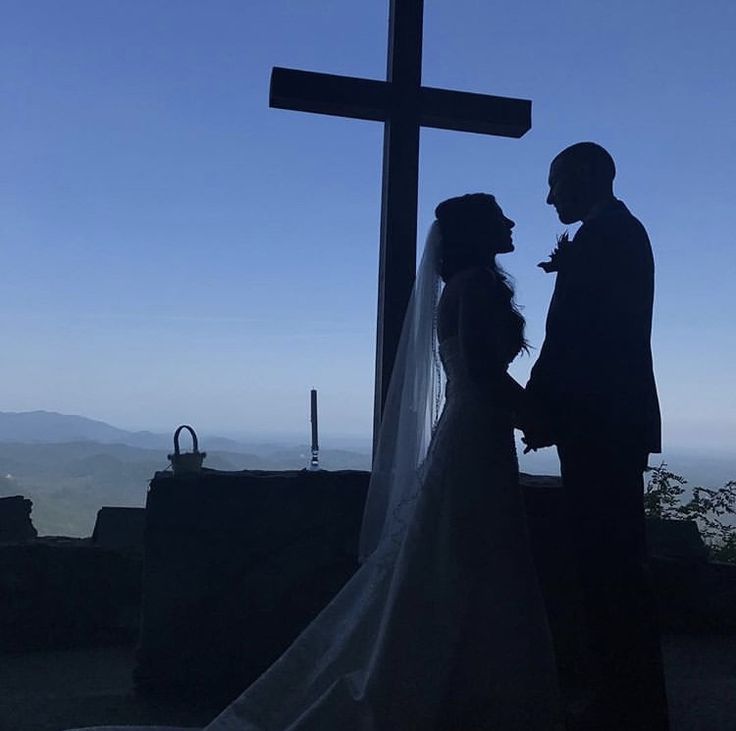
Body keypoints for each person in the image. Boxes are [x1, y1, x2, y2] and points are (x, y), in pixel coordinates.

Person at [69, 194, 562, 731]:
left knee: (456, 552)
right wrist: (537, 418)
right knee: (477, 550)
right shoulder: (478, 285)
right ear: (476, 230)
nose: (511, 223)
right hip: (476, 434)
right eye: (499, 217)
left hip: (468, 432)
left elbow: (475, 375)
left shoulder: (460, 287)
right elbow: (483, 373)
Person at [523, 142, 669, 731]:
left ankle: (627, 704)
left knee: (609, 566)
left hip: (601, 422)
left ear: (586, 176)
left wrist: (540, 403)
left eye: (555, 181)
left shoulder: (609, 237)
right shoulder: (615, 234)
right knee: (610, 563)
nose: (550, 196)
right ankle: (628, 698)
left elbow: (579, 339)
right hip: (608, 420)